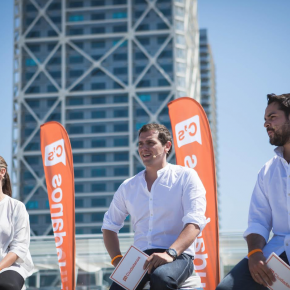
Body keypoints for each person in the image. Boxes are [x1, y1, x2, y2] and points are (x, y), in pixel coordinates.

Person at [102, 123, 207, 290]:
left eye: (150, 143)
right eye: (140, 144)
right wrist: (117, 259)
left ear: (167, 146)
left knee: (161, 277)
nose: (144, 148)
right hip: (139, 259)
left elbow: (195, 223)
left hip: (178, 256)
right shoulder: (128, 186)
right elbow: (109, 226)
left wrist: (170, 253)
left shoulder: (186, 176)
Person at [216, 93, 290, 290]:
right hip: (277, 253)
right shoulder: (267, 171)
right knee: (226, 288)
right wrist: (255, 252)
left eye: (272, 117)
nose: (266, 124)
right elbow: (258, 221)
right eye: (265, 120)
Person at [0, 156, 34, 290]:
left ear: (2, 172)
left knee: (7, 286)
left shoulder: (16, 207)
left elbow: (19, 248)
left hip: (10, 267)